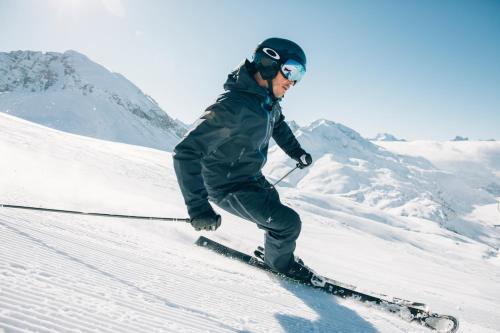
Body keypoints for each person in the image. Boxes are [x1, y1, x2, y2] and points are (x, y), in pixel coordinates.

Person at [173, 37, 314, 282]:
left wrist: (297, 152)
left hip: (249, 178)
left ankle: (274, 255)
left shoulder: (267, 103)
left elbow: (278, 125)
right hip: (226, 187)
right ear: (269, 64)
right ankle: (280, 265)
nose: (293, 81)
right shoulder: (233, 106)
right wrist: (198, 208)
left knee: (276, 210)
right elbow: (185, 152)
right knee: (288, 223)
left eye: (300, 75)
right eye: (291, 70)